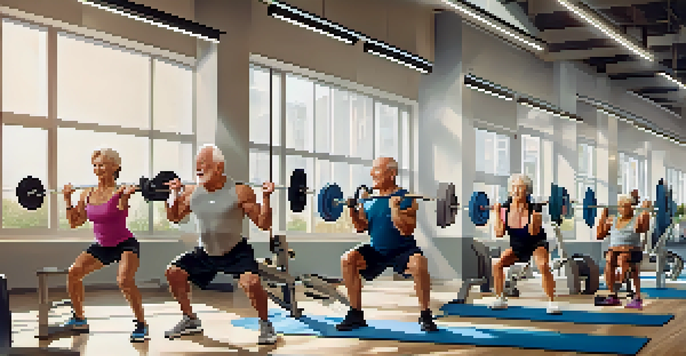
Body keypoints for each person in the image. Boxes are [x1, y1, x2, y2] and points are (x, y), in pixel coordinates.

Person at [163, 144, 277, 344]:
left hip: (235, 251)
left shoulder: (240, 191)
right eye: (196, 164)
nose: (198, 168)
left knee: (251, 283)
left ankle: (266, 323)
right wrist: (170, 195)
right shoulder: (191, 192)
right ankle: (190, 319)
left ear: (219, 167)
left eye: (203, 163)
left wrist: (266, 198)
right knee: (173, 272)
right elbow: (174, 217)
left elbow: (264, 223)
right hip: (205, 251)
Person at [336, 157, 438, 332]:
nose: (371, 173)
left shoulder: (407, 197)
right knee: (348, 259)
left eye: (376, 169)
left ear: (391, 174)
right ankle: (355, 314)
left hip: (403, 250)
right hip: (377, 250)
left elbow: (407, 230)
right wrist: (352, 210)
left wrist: (395, 209)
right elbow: (361, 227)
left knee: (419, 263)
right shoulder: (368, 199)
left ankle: (425, 314)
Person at [62, 148, 148, 342]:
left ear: (115, 167)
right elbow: (75, 222)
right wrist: (67, 198)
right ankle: (79, 318)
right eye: (95, 165)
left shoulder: (120, 191)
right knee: (74, 272)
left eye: (102, 164)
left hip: (124, 243)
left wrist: (126, 196)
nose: (97, 168)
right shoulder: (87, 194)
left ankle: (141, 324)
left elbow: (122, 210)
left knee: (124, 281)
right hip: (102, 245)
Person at [491, 174, 560, 314]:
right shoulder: (505, 209)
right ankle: (500, 298)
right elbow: (499, 233)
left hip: (536, 244)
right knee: (497, 265)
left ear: (527, 190)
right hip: (517, 246)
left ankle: (552, 302)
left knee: (543, 265)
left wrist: (535, 216)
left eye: (520, 187)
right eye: (513, 187)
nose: (516, 190)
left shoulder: (534, 207)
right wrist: (497, 214)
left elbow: (533, 233)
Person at [596, 194, 651, 309]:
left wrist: (645, 211)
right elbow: (599, 235)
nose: (621, 209)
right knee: (609, 259)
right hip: (614, 251)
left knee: (623, 258)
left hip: (632, 251)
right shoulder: (613, 220)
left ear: (631, 207)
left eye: (624, 206)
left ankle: (634, 295)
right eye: (619, 206)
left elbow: (644, 228)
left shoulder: (637, 218)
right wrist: (603, 215)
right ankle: (613, 295)